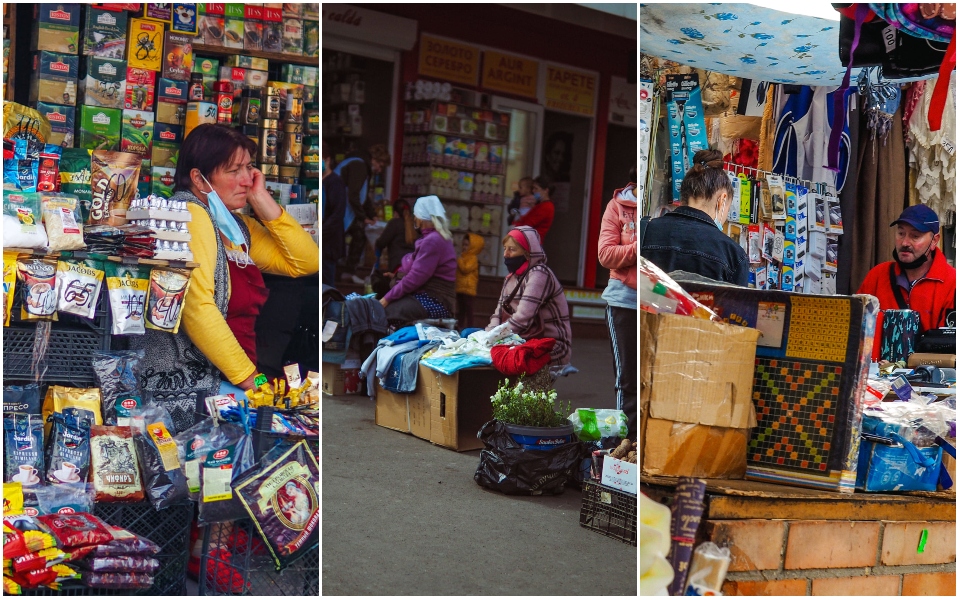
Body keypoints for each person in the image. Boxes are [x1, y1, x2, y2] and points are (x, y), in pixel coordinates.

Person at [130, 124, 319, 432]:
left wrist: (260, 198)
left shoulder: (234, 226)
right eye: (233, 171)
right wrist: (253, 382)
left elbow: (306, 262)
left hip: (234, 373)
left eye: (249, 168)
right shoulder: (190, 214)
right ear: (198, 178)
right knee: (280, 431)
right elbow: (198, 309)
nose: (246, 180)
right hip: (194, 380)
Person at [857, 204, 956, 361]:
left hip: (933, 379)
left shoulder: (952, 283)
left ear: (934, 241)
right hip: (877, 376)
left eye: (915, 236)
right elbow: (855, 328)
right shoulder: (877, 275)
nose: (905, 242)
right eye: (901, 233)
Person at [640, 149, 749, 286]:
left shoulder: (645, 229)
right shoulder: (733, 255)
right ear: (722, 200)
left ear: (684, 196)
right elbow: (738, 306)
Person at [487, 226, 572, 367]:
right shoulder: (510, 278)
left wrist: (493, 339)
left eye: (512, 249)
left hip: (549, 345)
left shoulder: (539, 273)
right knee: (469, 333)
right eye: (505, 248)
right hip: (521, 338)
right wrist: (488, 336)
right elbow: (498, 315)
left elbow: (522, 319)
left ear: (527, 253)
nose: (506, 254)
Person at [598, 178, 638, 440]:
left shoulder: (665, 204)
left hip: (658, 301)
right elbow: (605, 254)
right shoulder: (617, 206)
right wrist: (639, 248)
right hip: (623, 301)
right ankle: (626, 443)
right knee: (627, 378)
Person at [379, 195, 457, 325]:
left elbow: (415, 278)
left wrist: (386, 299)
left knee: (387, 313)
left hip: (434, 301)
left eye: (416, 215)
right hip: (430, 297)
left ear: (421, 219)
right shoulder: (437, 238)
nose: (414, 218)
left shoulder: (433, 241)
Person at [336, 143, 391, 283]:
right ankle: (346, 271)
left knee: (344, 238)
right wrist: (363, 218)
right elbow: (354, 195)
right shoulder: (360, 166)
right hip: (338, 209)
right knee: (358, 233)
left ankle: (343, 271)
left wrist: (371, 214)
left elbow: (363, 196)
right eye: (380, 165)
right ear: (374, 159)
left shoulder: (359, 164)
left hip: (339, 208)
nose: (379, 169)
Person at [321, 141, 346, 287]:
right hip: (317, 242)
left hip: (329, 245)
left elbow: (337, 215)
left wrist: (321, 233)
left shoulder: (336, 183)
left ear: (328, 160)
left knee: (327, 286)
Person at [374, 198, 418, 274]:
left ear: (395, 213)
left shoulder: (394, 223)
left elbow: (381, 243)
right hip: (413, 267)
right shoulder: (415, 225)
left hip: (397, 267)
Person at [513, 175, 556, 243]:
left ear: (546, 190)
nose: (533, 191)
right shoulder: (541, 205)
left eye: (536, 188)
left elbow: (528, 223)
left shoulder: (546, 207)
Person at [455, 233, 484, 329]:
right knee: (461, 311)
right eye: (463, 244)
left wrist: (459, 260)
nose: (464, 247)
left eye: (467, 245)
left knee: (469, 310)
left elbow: (465, 269)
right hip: (461, 287)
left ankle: (470, 328)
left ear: (472, 247)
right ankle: (459, 327)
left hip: (468, 288)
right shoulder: (463, 256)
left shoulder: (473, 258)